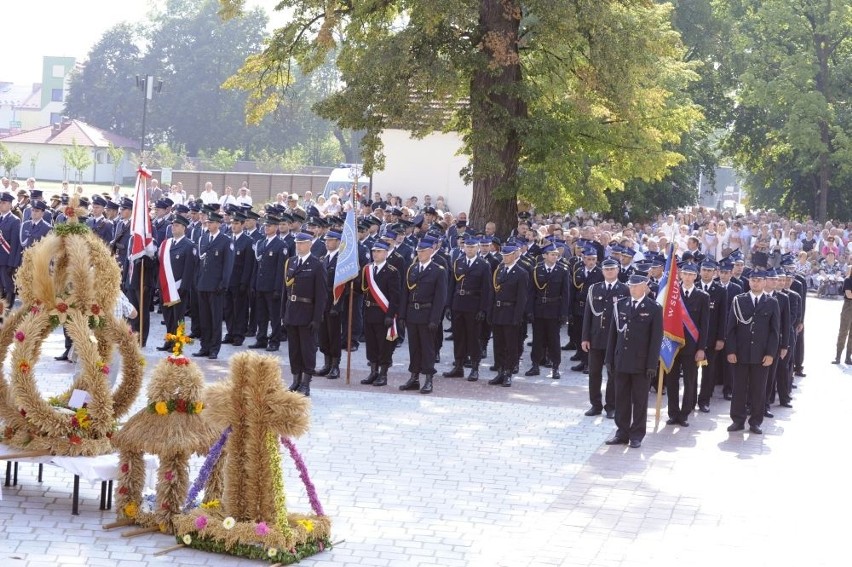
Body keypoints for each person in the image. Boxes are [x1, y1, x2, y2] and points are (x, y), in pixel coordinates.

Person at [604, 274, 663, 449]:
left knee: (640, 400)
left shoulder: (653, 308)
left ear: (644, 286)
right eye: (630, 286)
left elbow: (656, 339)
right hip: (621, 359)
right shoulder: (620, 305)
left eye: (636, 286)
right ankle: (621, 432)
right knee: (621, 398)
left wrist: (652, 364)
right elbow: (613, 334)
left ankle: (636, 434)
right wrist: (609, 358)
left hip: (641, 363)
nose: (632, 289)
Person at [725, 270, 780, 435]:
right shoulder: (739, 301)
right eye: (752, 280)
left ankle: (755, 421)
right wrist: (731, 350)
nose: (755, 283)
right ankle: (737, 420)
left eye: (758, 280)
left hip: (761, 355)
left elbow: (774, 331)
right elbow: (731, 329)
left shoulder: (772, 302)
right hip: (741, 353)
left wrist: (771, 354)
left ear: (764, 282)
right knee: (739, 388)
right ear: (749, 282)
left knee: (758, 390)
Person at [398, 236, 448, 394]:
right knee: (414, 347)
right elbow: (405, 293)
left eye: (423, 251)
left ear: (431, 251)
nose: (420, 254)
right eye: (418, 251)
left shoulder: (438, 271)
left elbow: (440, 298)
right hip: (413, 313)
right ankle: (414, 377)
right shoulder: (412, 269)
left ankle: (428, 379)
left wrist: (435, 319)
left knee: (427, 348)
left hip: (427, 314)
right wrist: (402, 315)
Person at [664, 263, 709, 428]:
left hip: (692, 346)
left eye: (691, 275)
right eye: (685, 274)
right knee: (672, 380)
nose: (688, 277)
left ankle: (684, 414)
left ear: (695, 276)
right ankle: (673, 413)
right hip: (673, 344)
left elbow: (705, 325)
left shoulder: (703, 296)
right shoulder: (672, 295)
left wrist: (701, 348)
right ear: (680, 275)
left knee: (690, 381)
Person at [581, 258, 627, 417]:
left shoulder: (625, 290)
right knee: (594, 373)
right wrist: (585, 337)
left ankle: (611, 406)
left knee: (613, 373)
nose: (609, 272)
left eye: (612, 269)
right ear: (602, 271)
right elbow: (588, 315)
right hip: (596, 338)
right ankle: (595, 405)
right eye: (606, 270)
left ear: (618, 270)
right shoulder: (594, 289)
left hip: (614, 340)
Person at [283, 232, 328, 397]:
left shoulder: (316, 264)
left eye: (302, 243)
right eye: (297, 243)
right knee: (294, 349)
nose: (299, 246)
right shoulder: (291, 262)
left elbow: (322, 295)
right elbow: (285, 291)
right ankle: (295, 380)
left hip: (307, 312)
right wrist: (284, 313)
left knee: (307, 349)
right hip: (292, 311)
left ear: (310, 244)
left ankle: (305, 382)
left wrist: (317, 318)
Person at [443, 236, 493, 381]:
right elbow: (452, 285)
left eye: (472, 247)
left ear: (477, 248)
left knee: (473, 338)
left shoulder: (483, 264)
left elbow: (487, 289)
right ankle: (459, 366)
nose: (470, 249)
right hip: (458, 303)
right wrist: (448, 305)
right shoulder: (458, 262)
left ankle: (475, 367)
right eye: (467, 247)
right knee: (459, 337)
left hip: (474, 305)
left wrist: (483, 309)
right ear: (463, 248)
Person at [359, 241, 401, 387]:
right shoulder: (367, 269)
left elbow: (395, 296)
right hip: (369, 311)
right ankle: (373, 372)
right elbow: (361, 289)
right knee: (371, 344)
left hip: (383, 313)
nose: (375, 254)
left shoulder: (392, 271)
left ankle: (383, 374)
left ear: (385, 253)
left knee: (384, 345)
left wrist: (390, 315)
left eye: (378, 251)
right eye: (374, 252)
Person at [526, 242, 570, 379]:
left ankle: (555, 366)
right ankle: (535, 365)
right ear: (545, 255)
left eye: (556, 255)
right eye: (552, 254)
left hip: (554, 309)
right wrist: (530, 311)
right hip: (539, 309)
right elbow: (531, 292)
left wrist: (564, 313)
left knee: (554, 340)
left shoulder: (562, 270)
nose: (555, 257)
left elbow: (566, 294)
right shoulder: (536, 270)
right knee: (537, 339)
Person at [193, 212, 234, 360]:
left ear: (218, 224)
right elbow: (199, 262)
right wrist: (197, 281)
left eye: (211, 222)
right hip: (203, 284)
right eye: (207, 222)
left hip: (216, 286)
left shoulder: (225, 241)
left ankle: (214, 349)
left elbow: (228, 265)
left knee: (215, 319)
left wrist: (223, 284)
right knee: (204, 318)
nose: (208, 224)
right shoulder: (203, 238)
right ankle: (205, 346)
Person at [487, 242, 528, 387]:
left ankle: (508, 373)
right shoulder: (499, 271)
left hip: (511, 313)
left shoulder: (521, 273)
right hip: (498, 312)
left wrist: (517, 317)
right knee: (499, 345)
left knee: (511, 345)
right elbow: (493, 293)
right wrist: (490, 313)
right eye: (503, 255)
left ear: (514, 255)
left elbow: (522, 298)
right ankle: (500, 371)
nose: (504, 258)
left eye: (507, 255)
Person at [155, 216, 196, 351]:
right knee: (167, 317)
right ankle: (169, 341)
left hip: (178, 288)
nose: (173, 227)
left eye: (177, 225)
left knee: (178, 318)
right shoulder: (166, 244)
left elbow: (189, 269)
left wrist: (184, 287)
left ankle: (177, 344)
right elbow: (159, 264)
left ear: (184, 228)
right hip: (165, 287)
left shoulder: (189, 245)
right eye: (173, 225)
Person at [249, 215, 287, 352]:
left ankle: (274, 341)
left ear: (276, 228)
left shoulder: (281, 245)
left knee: (274, 316)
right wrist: (253, 284)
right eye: (265, 225)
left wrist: (278, 289)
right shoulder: (261, 243)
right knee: (261, 315)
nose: (266, 228)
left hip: (272, 288)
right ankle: (261, 338)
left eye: (269, 226)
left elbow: (280, 269)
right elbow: (256, 266)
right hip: (260, 285)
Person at [696, 260, 728, 413]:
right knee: (691, 372)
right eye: (704, 270)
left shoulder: (720, 291)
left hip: (711, 339)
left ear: (714, 272)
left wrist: (721, 338)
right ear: (700, 271)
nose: (706, 273)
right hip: (692, 339)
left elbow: (723, 316)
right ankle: (689, 400)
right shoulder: (692, 287)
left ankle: (704, 400)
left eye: (710, 270)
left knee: (708, 372)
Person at [222, 212, 255, 347]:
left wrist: (244, 282)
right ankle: (230, 332)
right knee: (228, 309)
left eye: (236, 223)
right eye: (232, 223)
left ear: (242, 224)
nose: (233, 226)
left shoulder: (248, 241)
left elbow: (248, 264)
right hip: (228, 281)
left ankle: (238, 335)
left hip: (239, 282)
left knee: (240, 310)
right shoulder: (228, 239)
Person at [315, 230, 344, 380]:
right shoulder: (323, 258)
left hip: (334, 303)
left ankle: (335, 366)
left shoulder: (341, 259)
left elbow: (342, 286)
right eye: (326, 240)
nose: (327, 242)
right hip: (322, 303)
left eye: (331, 240)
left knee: (334, 336)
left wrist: (336, 306)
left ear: (338, 242)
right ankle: (326, 364)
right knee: (323, 335)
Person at [0, 192, 22, 306]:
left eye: (3, 203)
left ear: (9, 205)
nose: (0, 204)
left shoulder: (15, 220)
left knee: (8, 288)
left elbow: (15, 245)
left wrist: (12, 265)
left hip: (6, 261)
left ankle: (7, 313)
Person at [833, 265, 852, 364]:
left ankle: (848, 357)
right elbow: (849, 294)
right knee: (843, 332)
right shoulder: (848, 280)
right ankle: (838, 357)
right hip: (849, 307)